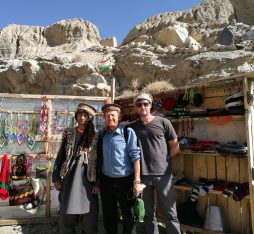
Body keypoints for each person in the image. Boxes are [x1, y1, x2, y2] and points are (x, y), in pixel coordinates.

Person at [130, 93, 181, 234]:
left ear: (151, 105)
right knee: (148, 215)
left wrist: (164, 160)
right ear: (136, 107)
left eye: (145, 103)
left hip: (163, 175)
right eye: (139, 104)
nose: (142, 106)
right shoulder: (132, 127)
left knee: (170, 213)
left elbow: (175, 146)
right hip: (143, 176)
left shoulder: (163, 122)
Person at [52, 103, 99, 234]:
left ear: (90, 118)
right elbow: (61, 156)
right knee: (67, 211)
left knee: (89, 214)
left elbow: (100, 161)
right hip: (69, 176)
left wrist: (97, 182)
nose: (82, 118)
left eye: (85, 115)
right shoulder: (69, 133)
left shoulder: (96, 136)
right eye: (80, 114)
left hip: (89, 179)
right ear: (76, 116)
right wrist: (56, 178)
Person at [97, 103, 142, 234]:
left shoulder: (128, 132)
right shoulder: (102, 135)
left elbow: (136, 157)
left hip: (125, 182)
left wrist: (137, 181)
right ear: (104, 119)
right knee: (108, 217)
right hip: (106, 182)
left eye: (113, 115)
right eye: (107, 116)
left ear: (119, 116)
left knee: (128, 216)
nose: (110, 118)